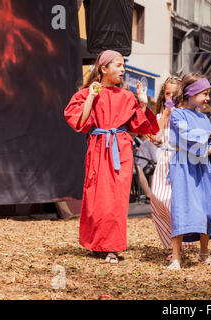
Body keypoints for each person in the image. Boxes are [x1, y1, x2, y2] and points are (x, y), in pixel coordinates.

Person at [64, 50, 159, 264]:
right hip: (98, 147)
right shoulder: (87, 93)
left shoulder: (126, 96)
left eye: (124, 66)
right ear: (103, 68)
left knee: (116, 200)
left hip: (121, 149)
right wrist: (91, 96)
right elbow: (81, 122)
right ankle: (97, 243)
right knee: (97, 197)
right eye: (118, 65)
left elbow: (139, 127)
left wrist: (143, 104)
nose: (123, 70)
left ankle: (112, 248)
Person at [167, 73, 211, 270]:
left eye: (208, 93)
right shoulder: (177, 114)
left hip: (202, 167)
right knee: (181, 208)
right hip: (183, 167)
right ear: (191, 93)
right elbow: (186, 135)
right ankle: (176, 257)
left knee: (205, 208)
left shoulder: (204, 117)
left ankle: (204, 253)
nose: (207, 98)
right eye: (204, 93)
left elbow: (207, 141)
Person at [149, 76, 195, 252]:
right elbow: (155, 137)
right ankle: (171, 242)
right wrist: (166, 114)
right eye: (167, 94)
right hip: (164, 162)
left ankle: (181, 244)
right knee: (158, 199)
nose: (170, 98)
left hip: (181, 162)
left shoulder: (187, 115)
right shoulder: (161, 116)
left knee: (175, 203)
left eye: (174, 94)